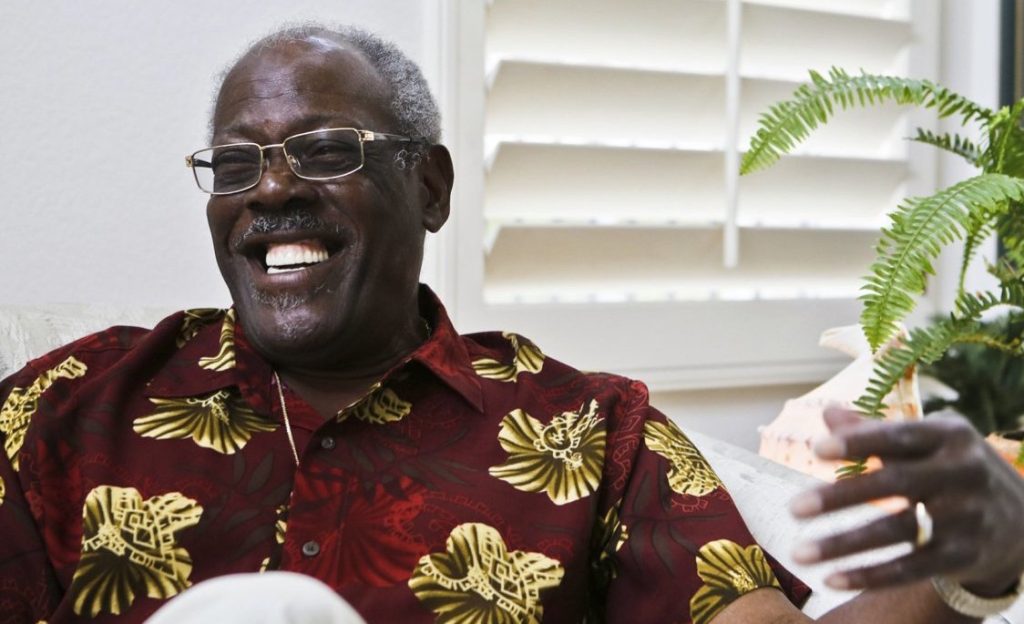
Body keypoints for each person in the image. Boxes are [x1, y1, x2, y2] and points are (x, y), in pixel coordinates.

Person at [0, 23, 1022, 624]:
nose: (269, 191)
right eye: (236, 163)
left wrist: (972, 571)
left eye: (324, 151)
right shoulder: (71, 405)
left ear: (429, 187)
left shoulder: (590, 434)